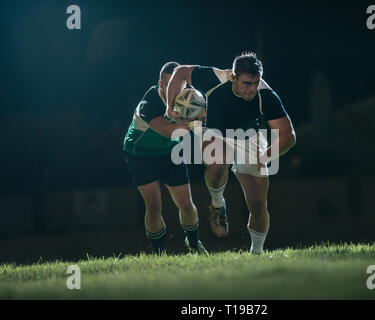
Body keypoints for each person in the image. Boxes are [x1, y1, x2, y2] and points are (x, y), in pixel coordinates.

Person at [166, 52, 296, 254]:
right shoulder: (216, 79)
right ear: (233, 77)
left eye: (255, 82)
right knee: (218, 161)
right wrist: (170, 105)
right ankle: (218, 204)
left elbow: (288, 135)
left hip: (249, 140)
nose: (251, 88)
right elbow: (180, 72)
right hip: (215, 131)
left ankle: (257, 253)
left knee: (258, 205)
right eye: (246, 83)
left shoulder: (266, 95)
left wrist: (267, 155)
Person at [123, 61, 208, 255]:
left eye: (179, 86)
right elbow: (169, 131)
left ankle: (194, 244)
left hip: (170, 152)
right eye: (170, 86)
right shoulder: (150, 103)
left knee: (186, 204)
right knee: (153, 207)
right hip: (140, 154)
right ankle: (159, 253)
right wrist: (197, 122)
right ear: (161, 85)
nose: (176, 92)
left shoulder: (190, 99)